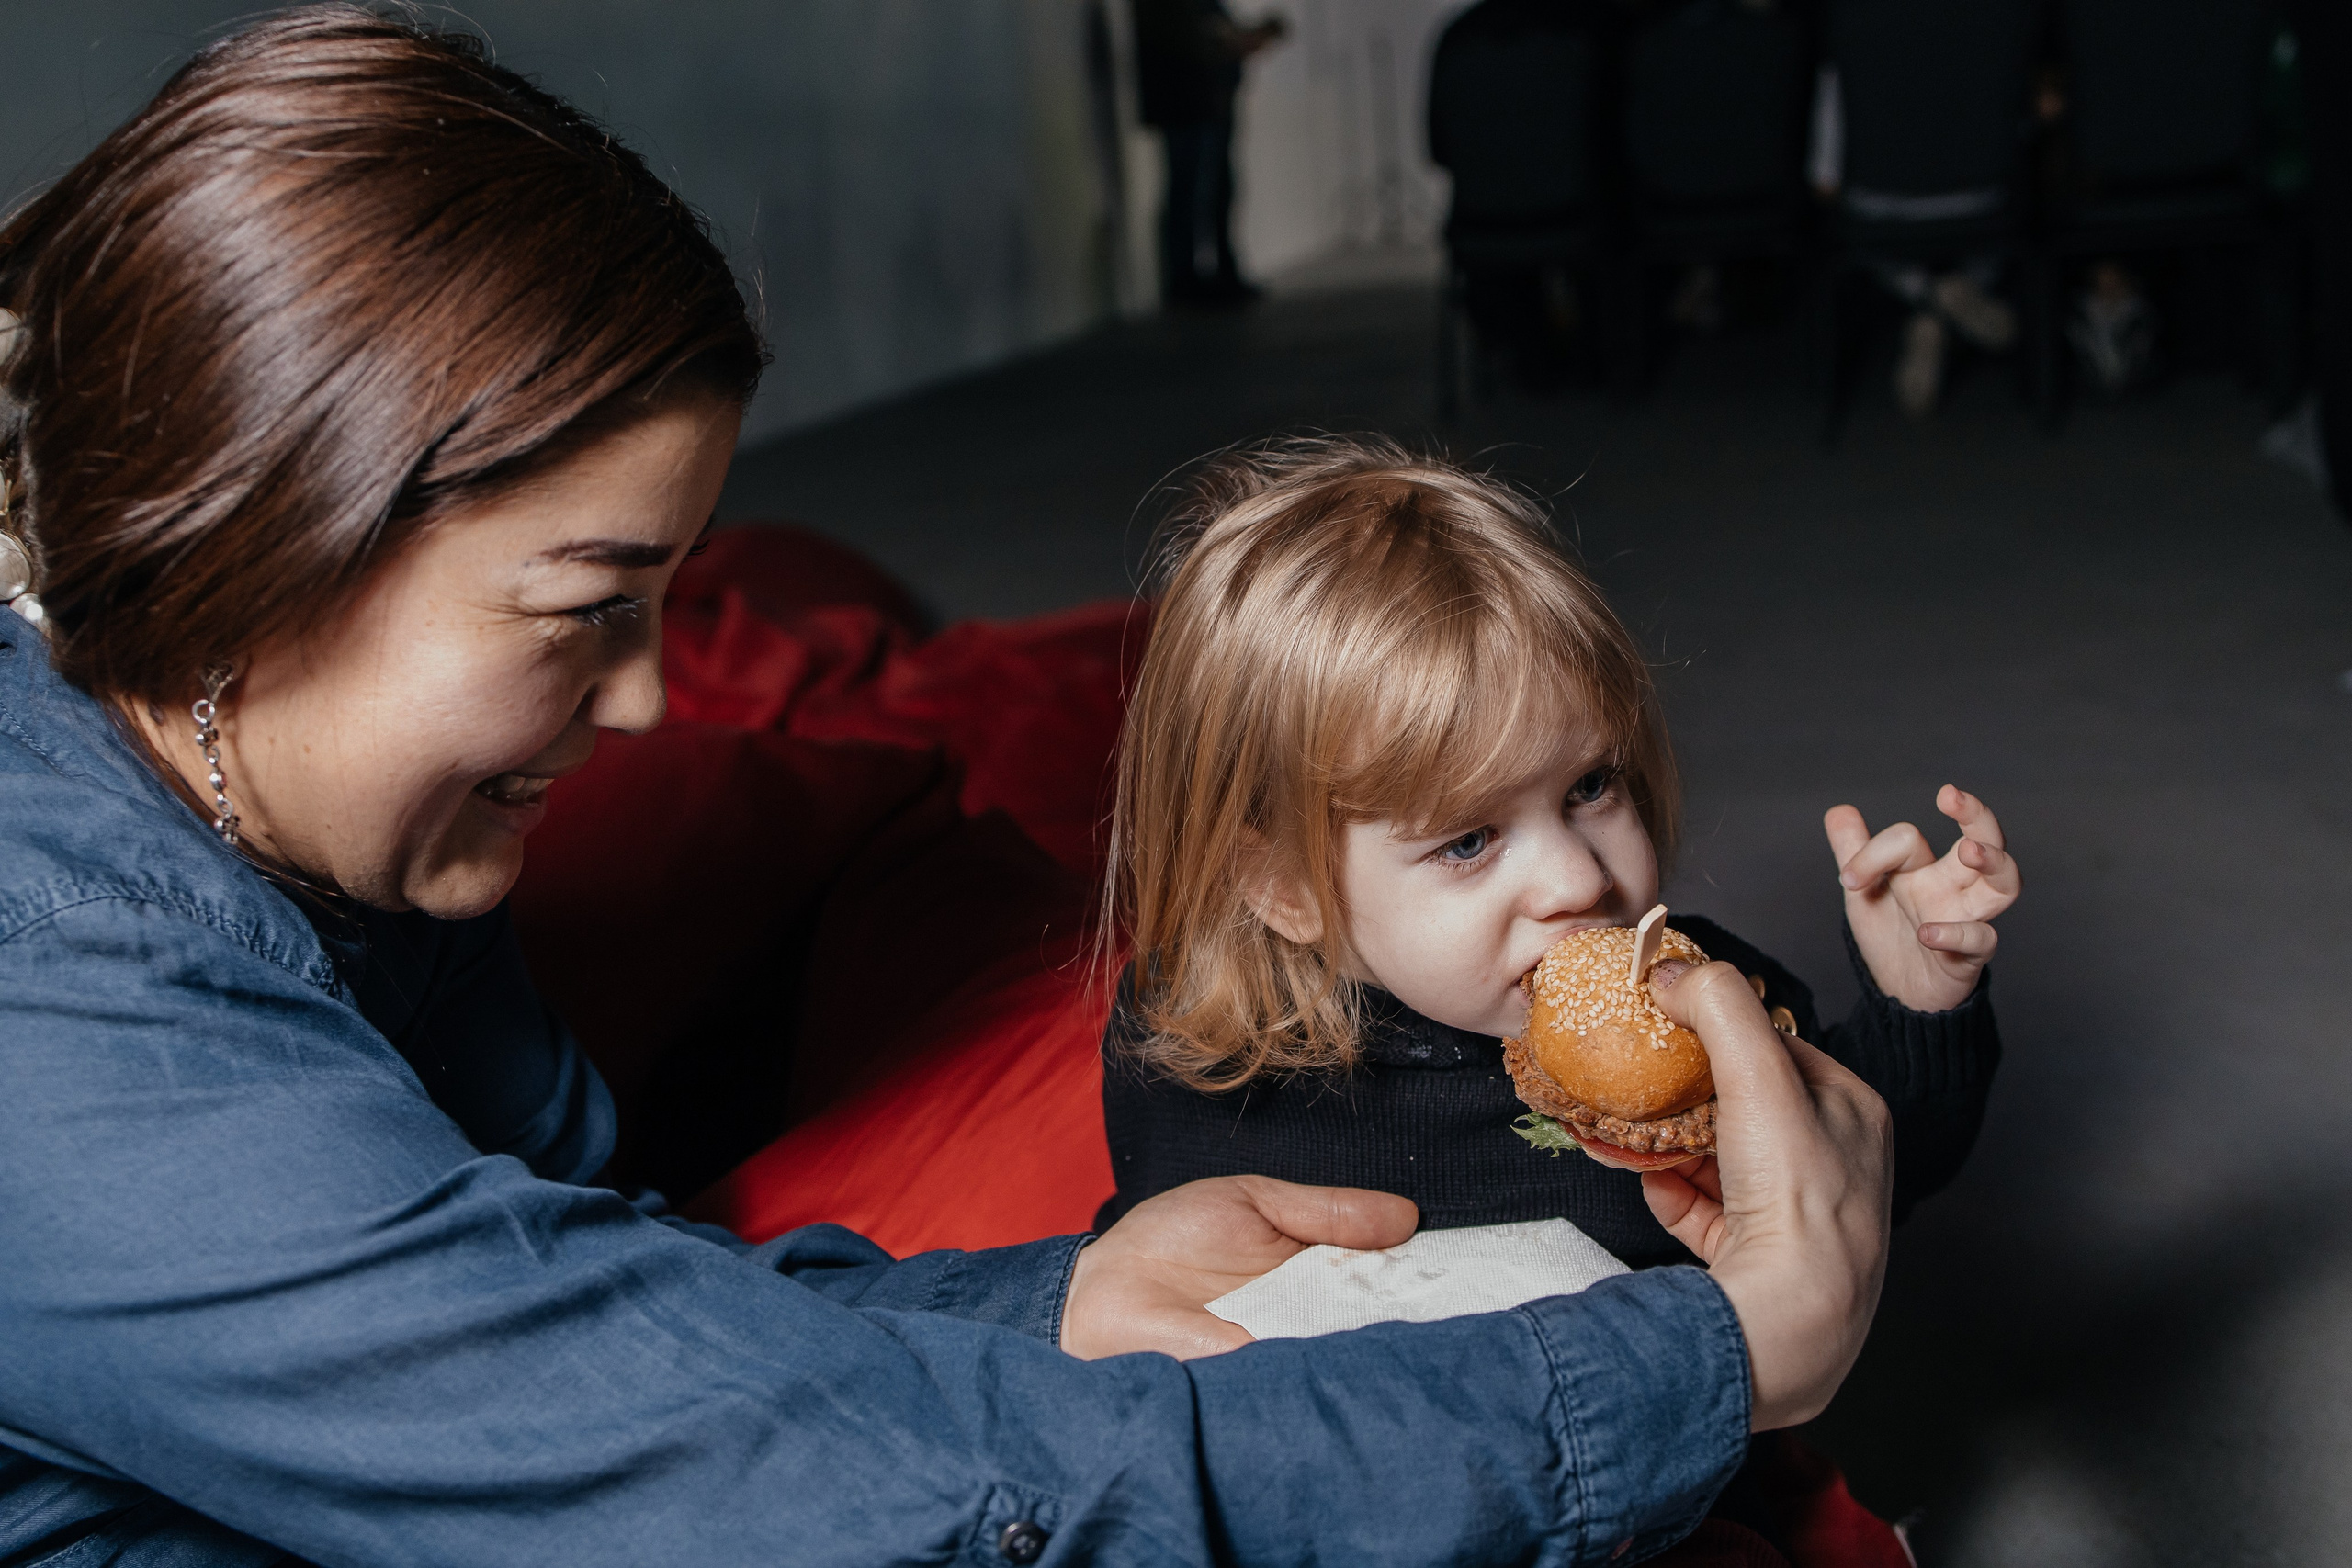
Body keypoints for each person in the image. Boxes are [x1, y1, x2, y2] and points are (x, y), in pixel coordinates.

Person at [0, 10, 1895, 1565]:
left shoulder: (325, 817)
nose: (647, 696)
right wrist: (1710, 1362)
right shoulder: (62, 1020)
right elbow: (802, 1487)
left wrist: (1051, 1301)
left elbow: (604, 1323)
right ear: (265, 559)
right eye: (588, 609)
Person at [1092, 437, 2018, 1549]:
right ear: (1283, 888)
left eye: (1590, 785)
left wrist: (1918, 1003)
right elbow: (1168, 1328)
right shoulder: (1198, 1059)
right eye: (1468, 840)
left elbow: (1859, 1180)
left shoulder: (1694, 1002)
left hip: (1654, 1487)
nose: (1579, 879)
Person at [1132, 0, 1286, 306]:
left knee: (1213, 191)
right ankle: (1187, 279)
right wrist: (1224, 40)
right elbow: (1181, 36)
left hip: (1204, 101)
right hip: (1188, 103)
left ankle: (1210, 274)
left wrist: (1231, 38)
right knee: (1191, 192)